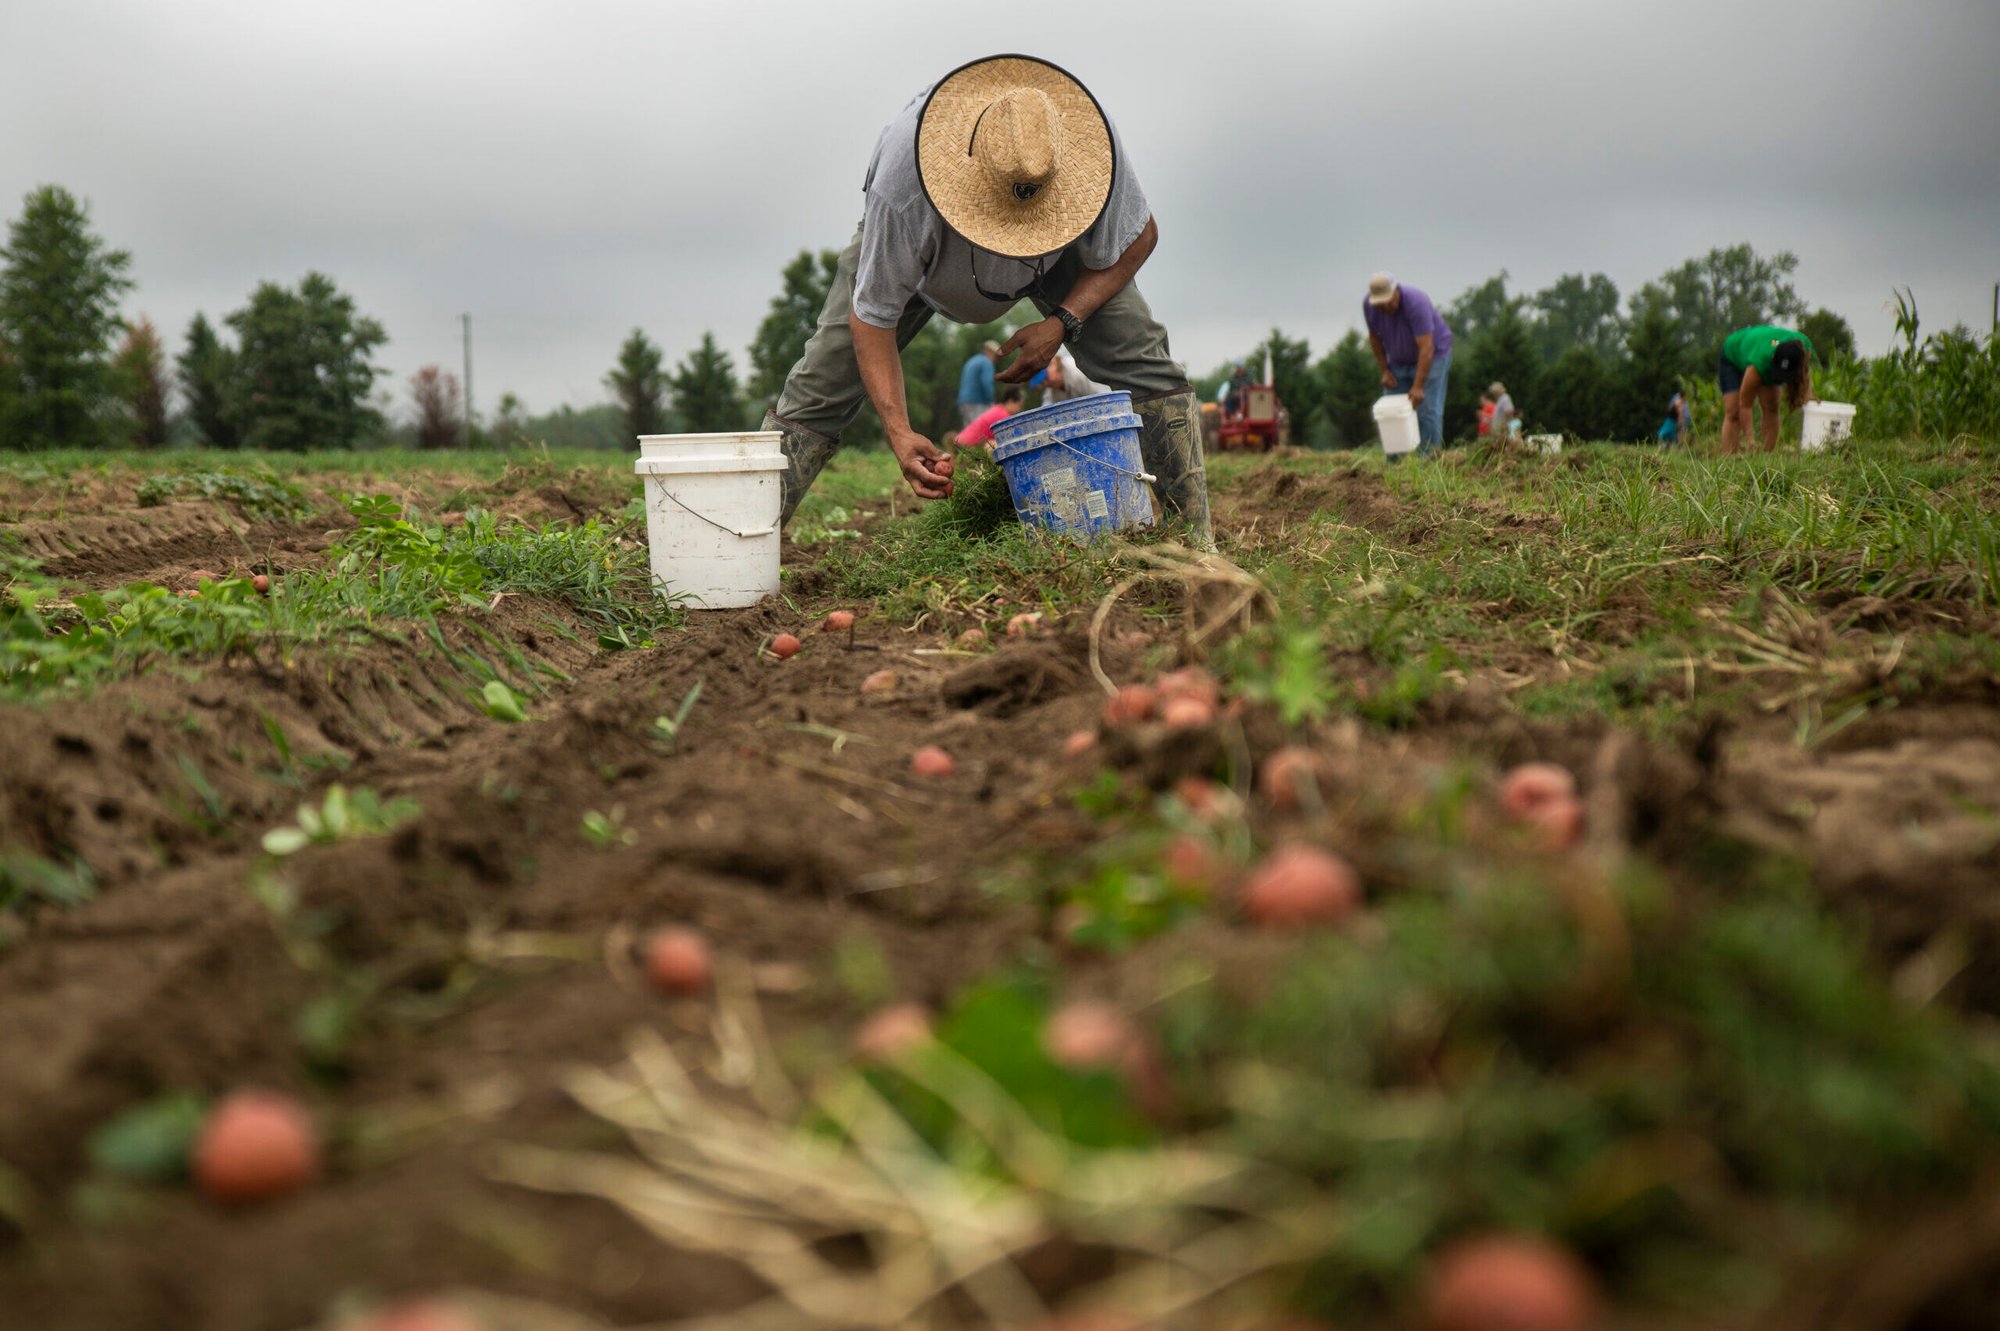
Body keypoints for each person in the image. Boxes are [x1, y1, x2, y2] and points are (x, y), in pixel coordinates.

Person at [759, 55, 1212, 545]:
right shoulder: (904, 189)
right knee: (820, 388)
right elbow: (871, 319)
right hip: (922, 268)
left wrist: (1065, 319)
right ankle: (744, 541)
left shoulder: (1095, 150)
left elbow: (1140, 235)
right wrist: (899, 430)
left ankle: (1194, 550)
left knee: (1145, 360)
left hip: (1058, 262)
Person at [1363, 273, 1454, 454]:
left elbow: (1427, 347)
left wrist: (1418, 386)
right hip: (1397, 361)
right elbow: (1374, 339)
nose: (1387, 305)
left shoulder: (1416, 302)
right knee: (1392, 410)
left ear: (1396, 290)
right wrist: (1385, 370)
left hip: (1433, 356)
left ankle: (1428, 460)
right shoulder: (1370, 306)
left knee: (1427, 410)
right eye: (1381, 303)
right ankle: (1398, 462)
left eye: (1389, 300)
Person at [1718, 325, 1814, 454]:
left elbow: (1804, 377)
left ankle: (1766, 455)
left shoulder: (1805, 349)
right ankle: (1728, 459)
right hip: (1732, 354)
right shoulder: (1760, 363)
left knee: (1771, 407)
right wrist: (1750, 439)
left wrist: (1808, 396)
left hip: (1763, 346)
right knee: (1733, 411)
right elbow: (1745, 404)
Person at [1033, 344, 1110, 402]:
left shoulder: (1077, 371)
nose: (1045, 384)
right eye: (1042, 383)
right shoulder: (1052, 388)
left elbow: (1104, 397)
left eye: (1045, 378)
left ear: (1053, 364)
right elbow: (1047, 405)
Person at [956, 385, 1026, 447]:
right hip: (966, 447)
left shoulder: (997, 409)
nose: (1020, 410)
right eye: (1019, 406)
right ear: (1010, 401)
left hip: (960, 442)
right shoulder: (1003, 416)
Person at [957, 339, 1001, 427]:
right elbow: (986, 383)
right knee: (980, 432)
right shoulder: (986, 363)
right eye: (995, 355)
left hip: (964, 401)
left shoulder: (973, 360)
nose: (996, 358)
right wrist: (991, 401)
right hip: (977, 402)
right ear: (989, 351)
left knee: (969, 432)